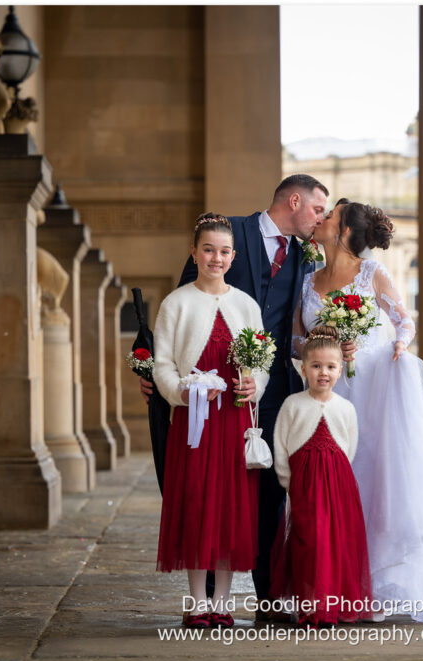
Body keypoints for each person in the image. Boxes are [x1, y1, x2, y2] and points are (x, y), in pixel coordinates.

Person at [292, 199, 423, 622]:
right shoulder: (309, 281)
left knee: (376, 475)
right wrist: (320, 345)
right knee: (336, 477)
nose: (322, 219)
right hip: (330, 389)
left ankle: (378, 585)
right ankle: (341, 581)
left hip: (375, 384)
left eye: (330, 216)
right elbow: (296, 340)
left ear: (345, 232)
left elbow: (404, 320)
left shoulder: (371, 273)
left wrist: (400, 344)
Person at [140, 175, 329, 615]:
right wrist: (153, 371)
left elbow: (291, 327)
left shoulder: (304, 254)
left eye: (222, 254)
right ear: (295, 201)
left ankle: (267, 597)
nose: (319, 220)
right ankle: (201, 599)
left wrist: (327, 350)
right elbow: (175, 320)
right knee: (203, 494)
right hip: (199, 400)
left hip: (268, 390)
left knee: (265, 494)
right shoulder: (228, 233)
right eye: (317, 209)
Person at [152, 213, 268, 629]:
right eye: (207, 250)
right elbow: (163, 364)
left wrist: (256, 384)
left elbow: (263, 360)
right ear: (194, 251)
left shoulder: (246, 305)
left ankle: (223, 600)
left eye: (223, 251)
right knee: (198, 502)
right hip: (194, 423)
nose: (215, 258)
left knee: (231, 505)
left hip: (235, 421)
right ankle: (196, 601)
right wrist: (180, 392)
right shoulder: (175, 303)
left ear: (233, 256)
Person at [269, 325, 372, 628]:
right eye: (316, 366)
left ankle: (332, 605)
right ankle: (309, 605)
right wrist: (288, 482)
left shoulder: (346, 408)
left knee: (336, 542)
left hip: (339, 487)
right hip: (304, 486)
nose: (322, 373)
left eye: (330, 366)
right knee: (309, 542)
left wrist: (335, 476)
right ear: (303, 369)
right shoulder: (292, 405)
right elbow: (281, 444)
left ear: (340, 370)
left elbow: (349, 448)